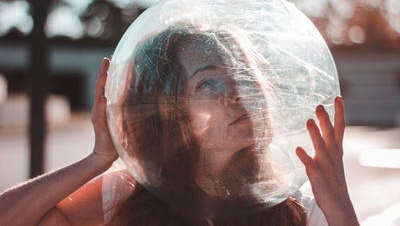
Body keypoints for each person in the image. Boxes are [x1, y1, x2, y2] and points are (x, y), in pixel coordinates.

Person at [0, 26, 359, 226]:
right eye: (208, 83)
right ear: (170, 111)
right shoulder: (122, 198)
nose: (236, 94)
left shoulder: (298, 212)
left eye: (243, 77)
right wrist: (96, 159)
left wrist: (340, 207)